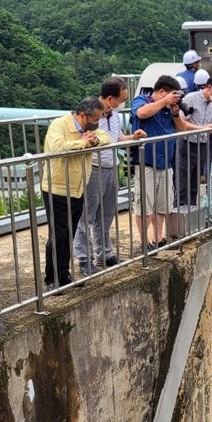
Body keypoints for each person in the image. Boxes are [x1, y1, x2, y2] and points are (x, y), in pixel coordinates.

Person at [130, 75, 212, 249]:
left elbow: (182, 128)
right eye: (172, 95)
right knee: (145, 207)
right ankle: (144, 243)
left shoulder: (168, 108)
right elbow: (142, 113)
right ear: (162, 92)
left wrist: (175, 112)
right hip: (146, 163)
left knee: (163, 206)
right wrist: (164, 102)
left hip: (166, 163)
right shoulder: (141, 100)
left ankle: (159, 238)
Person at [73, 78, 146, 275]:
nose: (122, 103)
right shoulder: (91, 113)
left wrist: (132, 137)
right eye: (121, 99)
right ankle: (83, 257)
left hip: (111, 165)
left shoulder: (113, 115)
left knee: (106, 214)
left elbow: (116, 138)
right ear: (111, 98)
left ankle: (104, 253)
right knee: (86, 214)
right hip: (93, 168)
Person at [41, 98, 109, 288]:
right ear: (82, 115)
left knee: (69, 233)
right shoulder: (60, 124)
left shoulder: (90, 129)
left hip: (78, 188)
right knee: (58, 234)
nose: (96, 123)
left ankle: (64, 274)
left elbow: (106, 136)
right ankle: (52, 278)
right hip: (57, 188)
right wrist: (82, 143)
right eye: (94, 119)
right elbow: (57, 147)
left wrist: (93, 139)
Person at [175, 74, 212, 207]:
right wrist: (203, 128)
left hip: (203, 145)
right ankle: (179, 215)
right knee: (183, 182)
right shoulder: (191, 99)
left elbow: (210, 123)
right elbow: (182, 123)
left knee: (195, 183)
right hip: (187, 143)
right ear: (209, 88)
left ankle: (192, 213)